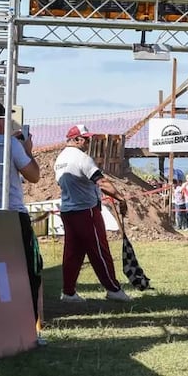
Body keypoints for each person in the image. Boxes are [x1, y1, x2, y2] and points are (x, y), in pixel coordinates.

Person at [0, 101, 45, 341]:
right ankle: (28, 331)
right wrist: (26, 149)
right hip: (12, 217)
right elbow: (34, 176)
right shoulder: (11, 145)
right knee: (28, 272)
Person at [53, 124, 131, 302]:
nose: (88, 143)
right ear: (77, 139)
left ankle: (68, 292)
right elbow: (101, 182)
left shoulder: (60, 159)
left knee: (73, 253)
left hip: (68, 210)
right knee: (99, 250)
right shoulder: (82, 158)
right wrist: (120, 198)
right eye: (86, 139)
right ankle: (113, 289)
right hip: (86, 210)